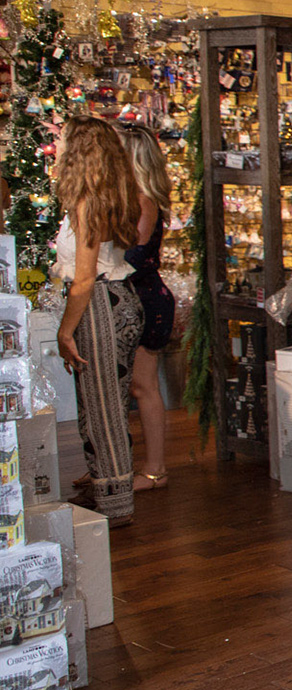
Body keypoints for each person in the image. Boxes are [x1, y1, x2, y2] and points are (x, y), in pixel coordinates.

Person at [52, 117, 143, 526]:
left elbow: (84, 278)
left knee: (102, 408)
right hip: (120, 298)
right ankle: (109, 491)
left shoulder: (88, 202)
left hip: (101, 306)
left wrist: (65, 330)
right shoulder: (115, 196)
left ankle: (115, 504)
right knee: (106, 403)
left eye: (62, 139)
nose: (56, 146)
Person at [120, 124, 175, 492]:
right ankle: (115, 463)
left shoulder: (143, 201)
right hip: (133, 296)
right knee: (127, 386)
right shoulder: (130, 198)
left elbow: (134, 257)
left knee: (143, 387)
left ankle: (155, 470)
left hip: (144, 299)